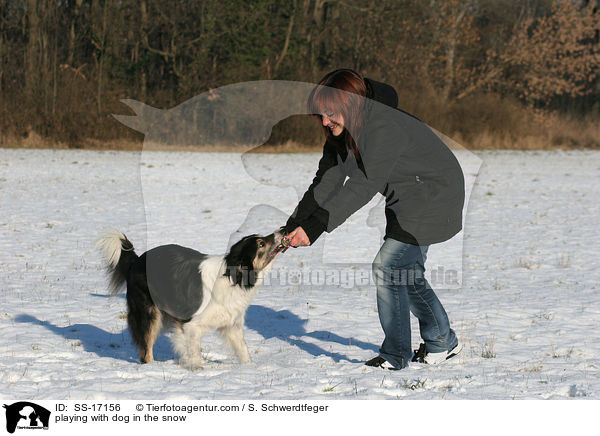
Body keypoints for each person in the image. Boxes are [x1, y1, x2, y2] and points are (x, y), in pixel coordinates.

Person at [281, 69, 465, 370]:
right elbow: (327, 180)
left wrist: (314, 229)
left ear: (350, 104)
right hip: (406, 196)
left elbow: (362, 185)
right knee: (408, 273)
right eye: (321, 115)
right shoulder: (342, 131)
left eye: (330, 114)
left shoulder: (383, 126)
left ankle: (395, 355)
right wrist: (295, 224)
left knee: (389, 267)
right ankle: (442, 342)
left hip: (434, 195)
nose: (325, 122)